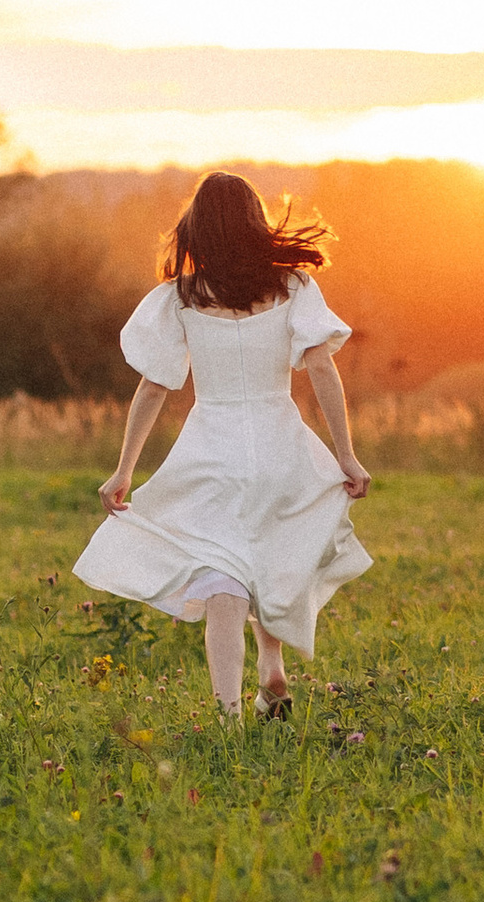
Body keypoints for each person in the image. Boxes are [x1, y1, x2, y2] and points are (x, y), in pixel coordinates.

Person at [76, 171, 372, 717]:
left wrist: (124, 470)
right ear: (256, 223)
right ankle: (271, 666)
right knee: (270, 552)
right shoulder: (293, 287)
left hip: (212, 448)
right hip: (280, 443)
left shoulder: (181, 298)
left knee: (222, 573)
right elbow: (320, 369)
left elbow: (155, 386)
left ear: (198, 229)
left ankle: (229, 716)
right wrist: (346, 455)